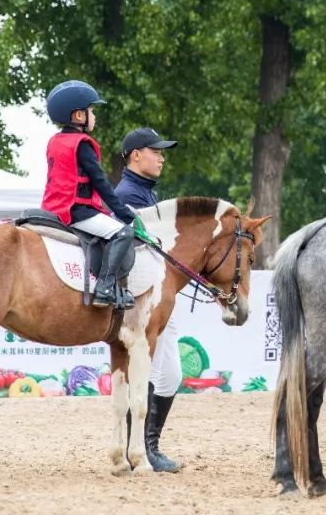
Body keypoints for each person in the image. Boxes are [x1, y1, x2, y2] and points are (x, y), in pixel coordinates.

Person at [114, 127, 182, 473]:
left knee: (169, 374)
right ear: (135, 154)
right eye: (156, 151)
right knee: (156, 374)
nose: (162, 157)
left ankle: (146, 445)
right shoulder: (128, 195)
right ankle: (140, 448)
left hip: (156, 298)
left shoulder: (147, 195)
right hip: (142, 304)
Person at [41, 80, 138, 309]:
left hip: (52, 207)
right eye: (91, 110)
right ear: (78, 116)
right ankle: (104, 287)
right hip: (76, 211)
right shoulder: (82, 144)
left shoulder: (55, 141)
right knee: (123, 233)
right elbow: (101, 182)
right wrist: (122, 212)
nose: (94, 115)